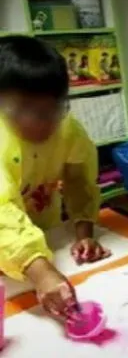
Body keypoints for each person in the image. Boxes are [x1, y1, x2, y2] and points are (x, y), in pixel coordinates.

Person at [0, 36, 110, 319]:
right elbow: (2, 214)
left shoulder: (68, 130)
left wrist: (84, 233)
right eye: (27, 110)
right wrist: (41, 272)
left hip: (44, 243)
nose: (42, 122)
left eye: (54, 110)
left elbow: (80, 182)